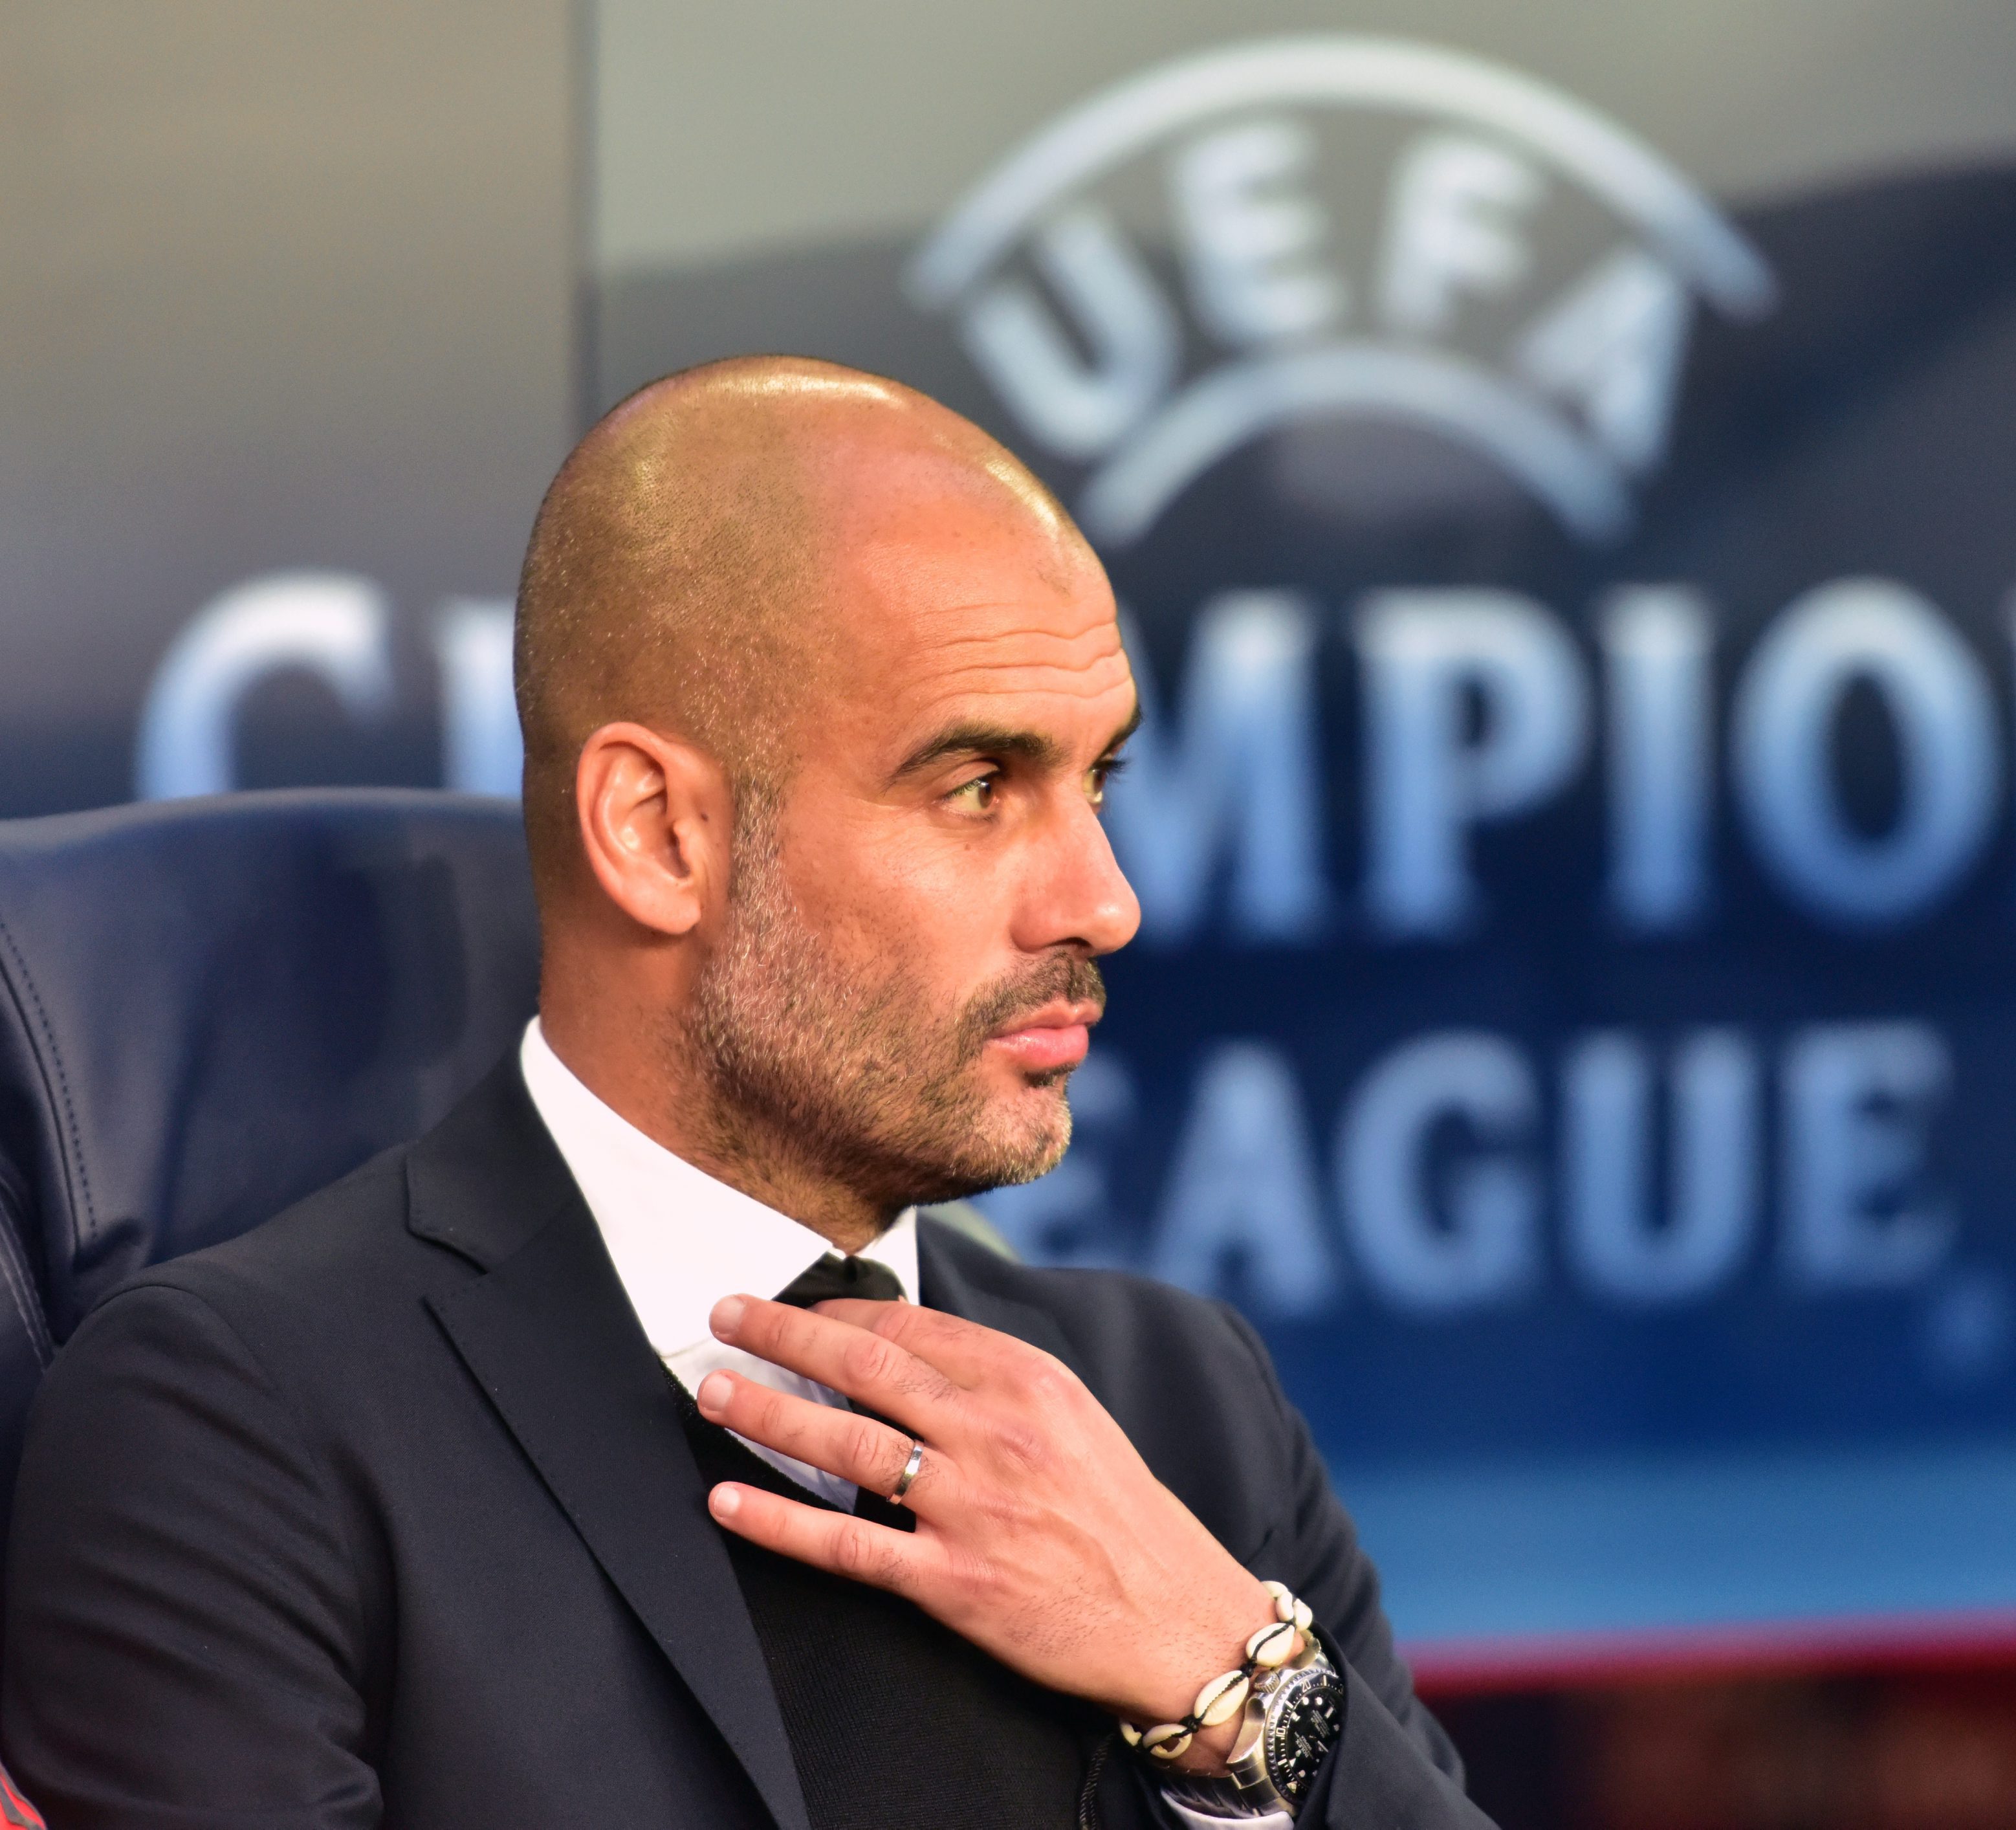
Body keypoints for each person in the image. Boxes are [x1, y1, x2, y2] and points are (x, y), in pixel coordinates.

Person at [1, 357, 1492, 1830]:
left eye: (1095, 781)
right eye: (978, 787)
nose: (1105, 903)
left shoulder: (1182, 1401)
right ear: (657, 833)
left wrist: (1234, 1685)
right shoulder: (237, 1424)